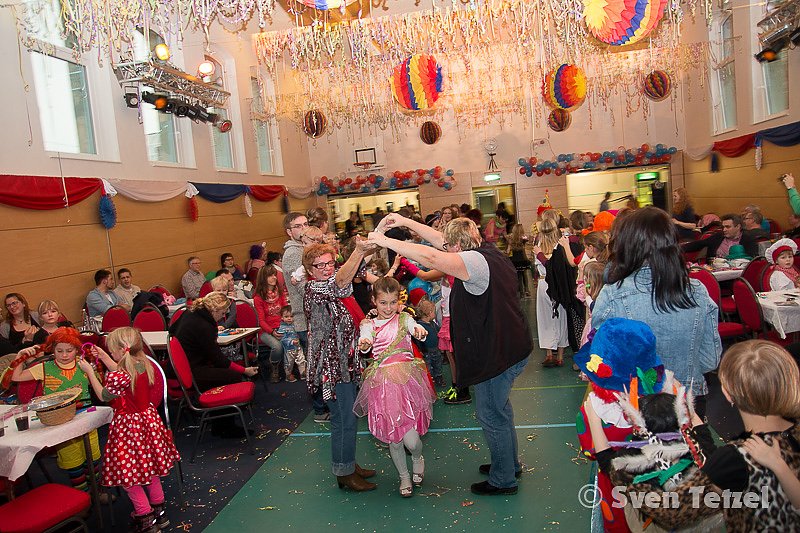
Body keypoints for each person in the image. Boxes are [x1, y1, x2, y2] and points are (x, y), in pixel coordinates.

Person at [368, 214, 532, 495]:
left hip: (497, 354)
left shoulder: (473, 262)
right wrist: (405, 222)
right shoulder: (487, 251)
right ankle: (508, 464)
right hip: (510, 346)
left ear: (456, 246)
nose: (445, 247)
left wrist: (385, 241)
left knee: (491, 414)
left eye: (448, 246)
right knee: (500, 410)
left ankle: (503, 479)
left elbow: (431, 256)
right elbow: (438, 241)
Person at [633, 340, 800, 532]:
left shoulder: (735, 459)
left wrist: (615, 465)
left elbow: (670, 512)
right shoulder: (788, 436)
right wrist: (694, 418)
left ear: (728, 394)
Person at [593, 207, 722, 416]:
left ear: (628, 245)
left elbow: (602, 360)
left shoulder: (613, 295)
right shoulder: (697, 292)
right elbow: (710, 359)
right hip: (688, 400)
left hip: (638, 404)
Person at [80, 327, 180, 533]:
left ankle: (144, 516)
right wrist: (105, 357)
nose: (110, 353)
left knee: (128, 475)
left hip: (129, 428)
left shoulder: (120, 374)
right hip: (148, 422)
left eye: (111, 350)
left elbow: (103, 395)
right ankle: (159, 511)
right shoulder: (142, 363)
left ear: (121, 349)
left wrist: (90, 372)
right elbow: (123, 371)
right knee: (150, 469)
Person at [302, 240, 377, 491]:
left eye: (330, 263)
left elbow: (347, 279)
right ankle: (344, 472)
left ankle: (348, 463)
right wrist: (359, 250)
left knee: (348, 416)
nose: (326, 268)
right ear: (310, 270)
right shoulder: (315, 289)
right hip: (332, 368)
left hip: (346, 362)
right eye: (320, 265)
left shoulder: (334, 287)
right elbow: (340, 281)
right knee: (344, 419)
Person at [354, 277, 436, 497]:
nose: (388, 308)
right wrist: (364, 344)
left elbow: (414, 327)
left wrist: (418, 331)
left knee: (412, 441)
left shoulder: (404, 319)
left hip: (407, 384)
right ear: (374, 301)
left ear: (398, 301)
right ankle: (404, 477)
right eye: (383, 303)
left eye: (392, 302)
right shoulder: (368, 325)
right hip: (383, 387)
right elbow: (365, 342)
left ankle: (417, 457)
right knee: (395, 438)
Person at [12, 328, 104, 495]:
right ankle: (82, 495)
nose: (64, 355)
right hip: (60, 422)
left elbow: (100, 389)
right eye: (59, 351)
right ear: (52, 349)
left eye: (69, 350)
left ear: (77, 349)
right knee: (73, 463)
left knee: (93, 458)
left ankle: (97, 492)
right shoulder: (44, 368)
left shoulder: (83, 364)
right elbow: (16, 377)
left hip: (86, 418)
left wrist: (93, 370)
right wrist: (20, 356)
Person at [168, 292, 258, 437]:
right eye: (222, 313)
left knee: (218, 373)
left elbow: (172, 330)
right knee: (232, 376)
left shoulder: (190, 312)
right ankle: (225, 427)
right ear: (214, 310)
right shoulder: (204, 326)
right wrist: (244, 370)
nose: (223, 317)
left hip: (180, 367)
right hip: (192, 371)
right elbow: (219, 360)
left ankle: (218, 421)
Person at [532, 217, 571, 367]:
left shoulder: (539, 246)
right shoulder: (559, 246)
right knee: (561, 318)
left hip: (544, 284)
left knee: (545, 319)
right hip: (557, 285)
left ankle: (549, 353)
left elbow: (543, 267)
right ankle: (559, 355)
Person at [253, 265, 287, 383]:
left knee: (294, 340)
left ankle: (291, 368)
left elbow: (285, 311)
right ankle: (275, 367)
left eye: (274, 275)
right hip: (265, 330)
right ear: (264, 278)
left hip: (281, 326)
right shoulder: (258, 298)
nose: (274, 278)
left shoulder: (280, 292)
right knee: (277, 347)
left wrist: (285, 326)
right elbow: (261, 321)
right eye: (270, 275)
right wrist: (272, 332)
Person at [681, 213, 759, 259]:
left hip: (738, 274)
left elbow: (752, 259)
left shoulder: (748, 239)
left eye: (727, 227)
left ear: (738, 227)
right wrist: (678, 248)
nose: (724, 230)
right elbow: (699, 244)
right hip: (716, 272)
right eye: (723, 227)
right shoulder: (718, 237)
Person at [415, 298, 444, 387]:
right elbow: (418, 339)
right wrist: (420, 350)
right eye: (434, 312)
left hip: (436, 349)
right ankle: (430, 379)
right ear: (429, 313)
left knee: (438, 364)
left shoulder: (432, 324)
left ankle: (438, 377)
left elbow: (439, 331)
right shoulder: (420, 326)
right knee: (428, 366)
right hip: (426, 351)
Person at [275, 305, 305, 381]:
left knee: (301, 359)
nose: (289, 318)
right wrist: (291, 342)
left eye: (291, 316)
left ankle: (303, 373)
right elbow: (282, 339)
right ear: (282, 317)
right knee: (289, 363)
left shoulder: (295, 325)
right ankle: (288, 375)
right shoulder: (282, 328)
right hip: (288, 349)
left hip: (298, 347)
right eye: (286, 316)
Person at [508, 224, 532, 298]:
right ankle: (527, 290)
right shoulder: (523, 238)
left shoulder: (511, 238)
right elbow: (528, 243)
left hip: (514, 260)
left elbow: (508, 250)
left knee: (518, 276)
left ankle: (521, 293)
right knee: (524, 275)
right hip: (522, 259)